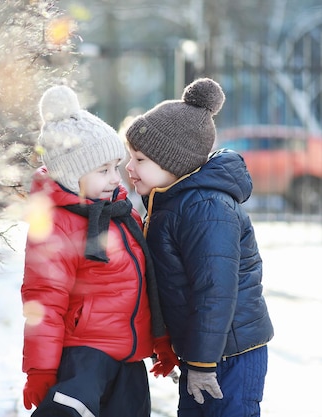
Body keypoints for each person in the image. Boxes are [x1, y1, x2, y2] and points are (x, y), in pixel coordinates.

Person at [21, 85, 178, 417]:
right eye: (102, 170)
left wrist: (160, 340)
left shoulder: (121, 210)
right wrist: (40, 370)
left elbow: (147, 282)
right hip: (86, 356)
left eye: (115, 167)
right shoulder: (55, 224)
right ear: (71, 175)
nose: (115, 178)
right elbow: (44, 302)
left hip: (130, 358)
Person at [124, 78, 275, 417]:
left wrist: (204, 361)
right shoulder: (170, 202)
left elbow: (216, 291)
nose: (129, 168)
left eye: (140, 159)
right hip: (204, 351)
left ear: (173, 163)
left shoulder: (206, 208)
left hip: (230, 352)